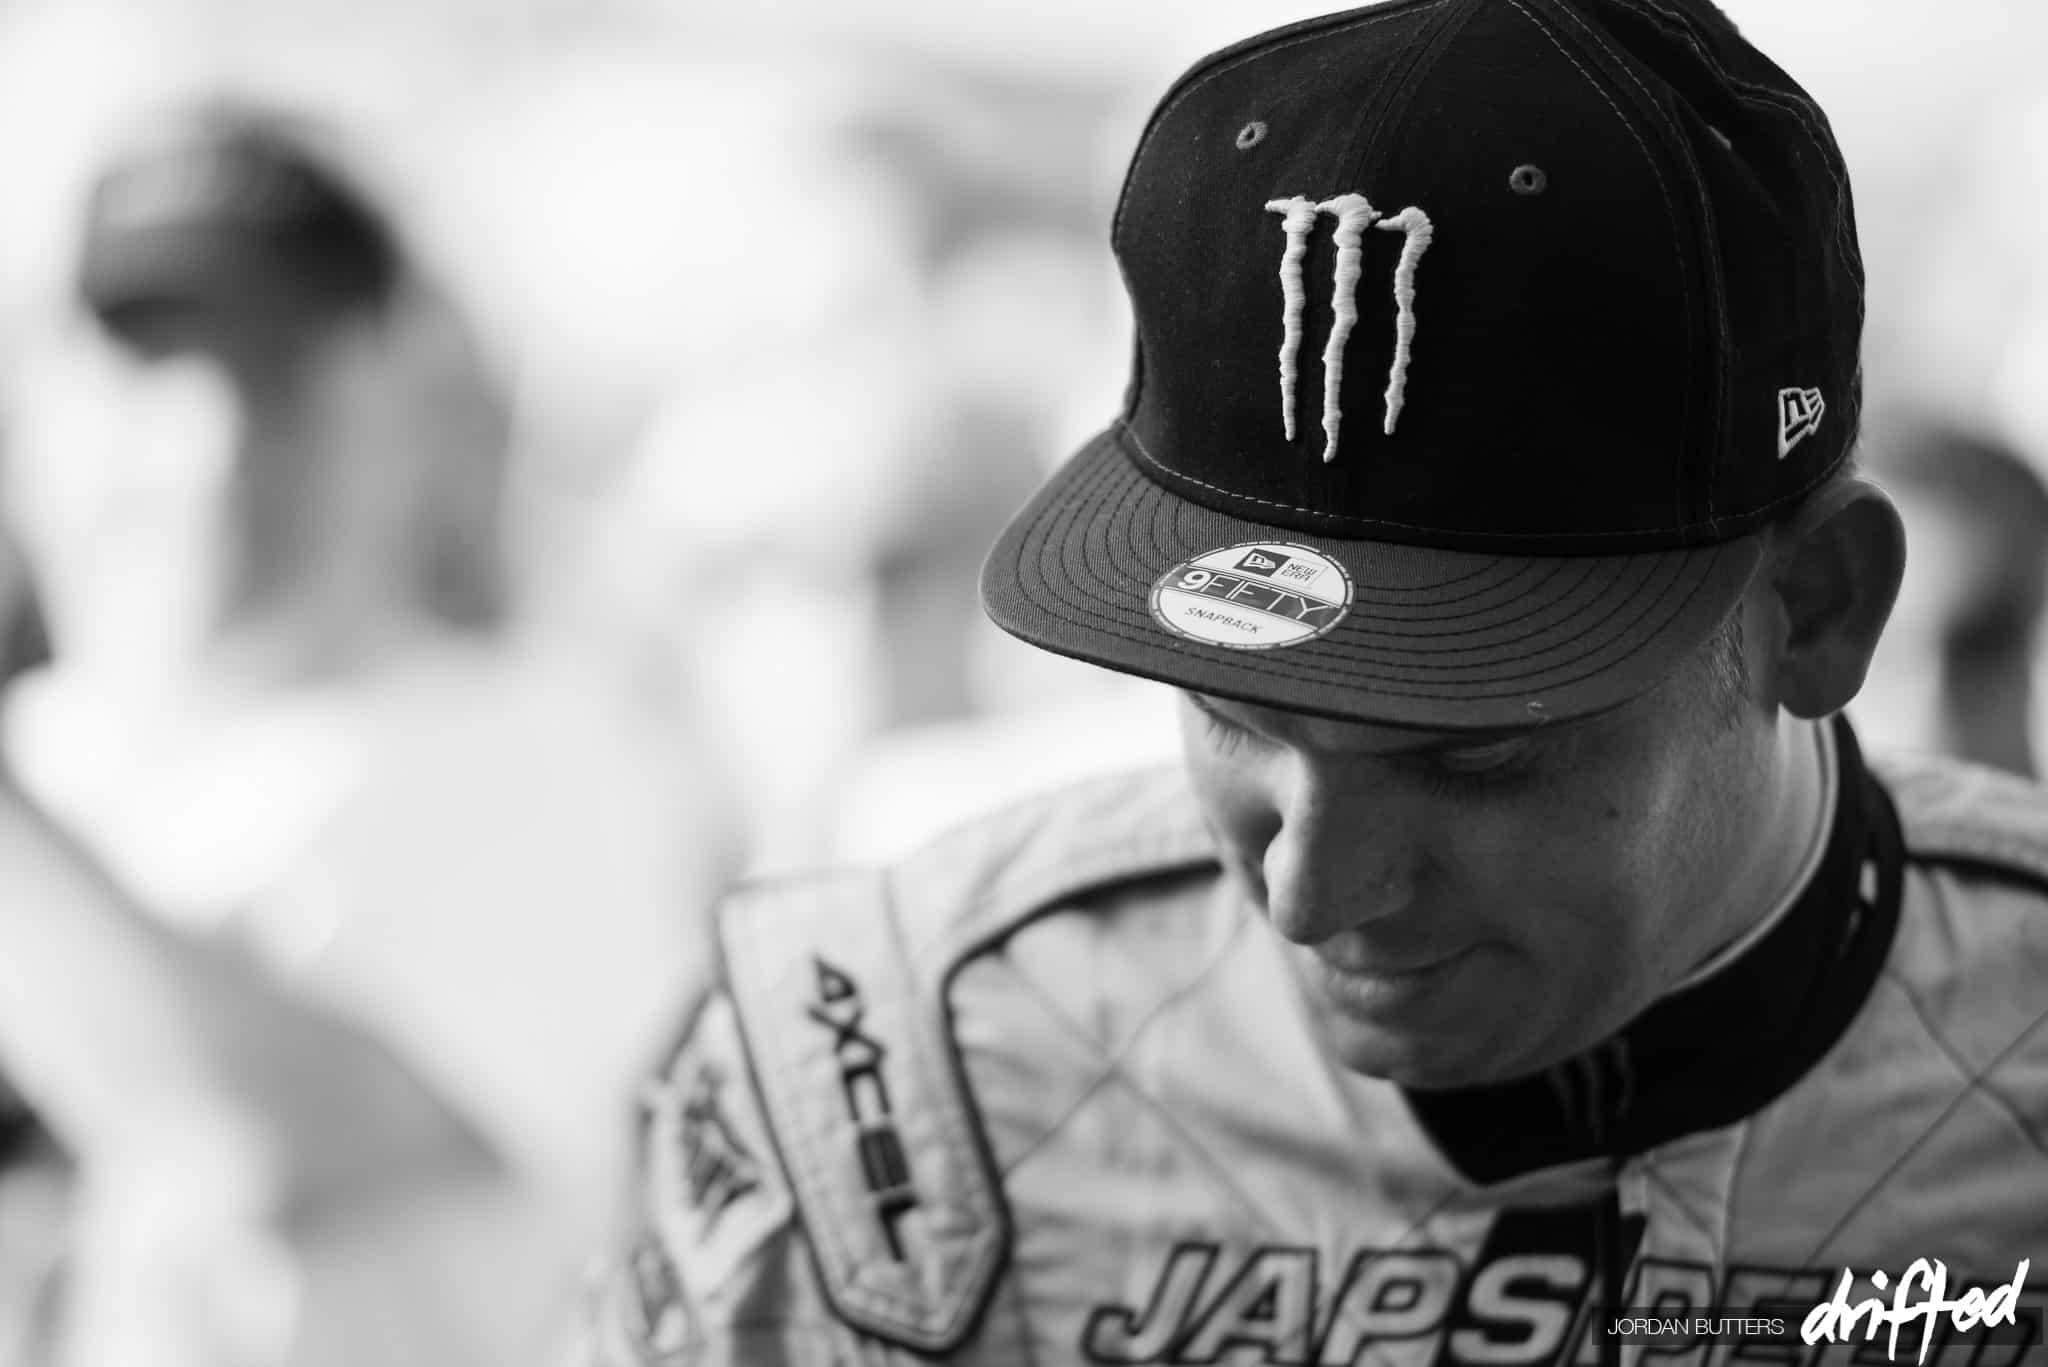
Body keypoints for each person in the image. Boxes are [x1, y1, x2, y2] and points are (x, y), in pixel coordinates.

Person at [586, 2, 2048, 1363]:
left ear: (1817, 610)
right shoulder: (898, 1073)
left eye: (1468, 756)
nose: (1308, 892)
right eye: (1232, 713)